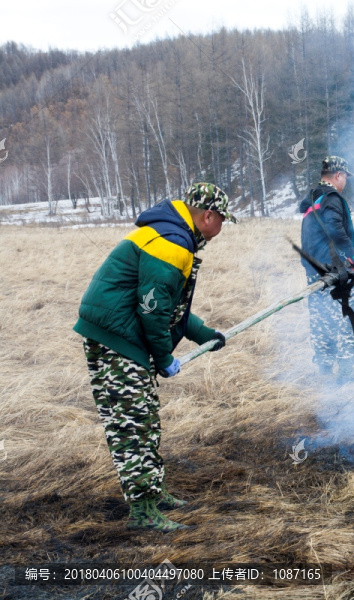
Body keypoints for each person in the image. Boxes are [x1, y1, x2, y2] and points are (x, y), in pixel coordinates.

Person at [73, 183, 235, 532]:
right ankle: (143, 512)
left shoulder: (172, 235)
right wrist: (163, 358)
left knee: (144, 419)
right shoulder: (172, 242)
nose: (222, 228)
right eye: (222, 220)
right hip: (118, 339)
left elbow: (171, 306)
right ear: (207, 216)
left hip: (121, 334)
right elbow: (153, 311)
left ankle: (154, 492)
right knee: (133, 424)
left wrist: (203, 333)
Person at [299, 156, 354, 384]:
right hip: (334, 272)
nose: (345, 182)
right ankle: (346, 372)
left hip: (313, 270)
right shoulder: (332, 198)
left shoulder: (313, 197)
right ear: (338, 175)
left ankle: (325, 372)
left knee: (321, 320)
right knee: (350, 319)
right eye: (345, 177)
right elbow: (335, 229)